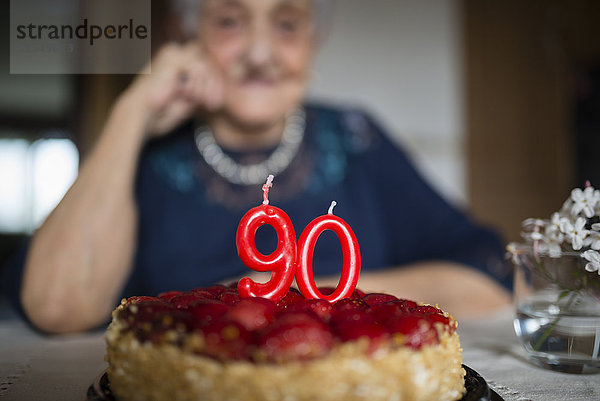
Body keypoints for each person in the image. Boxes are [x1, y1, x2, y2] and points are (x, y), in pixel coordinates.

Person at [3, 0, 511, 334]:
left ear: (315, 39)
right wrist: (131, 113)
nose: (261, 53)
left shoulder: (358, 138)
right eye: (229, 20)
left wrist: (308, 297)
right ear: (187, 34)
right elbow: (56, 307)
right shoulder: (146, 157)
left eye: (287, 23)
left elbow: (494, 276)